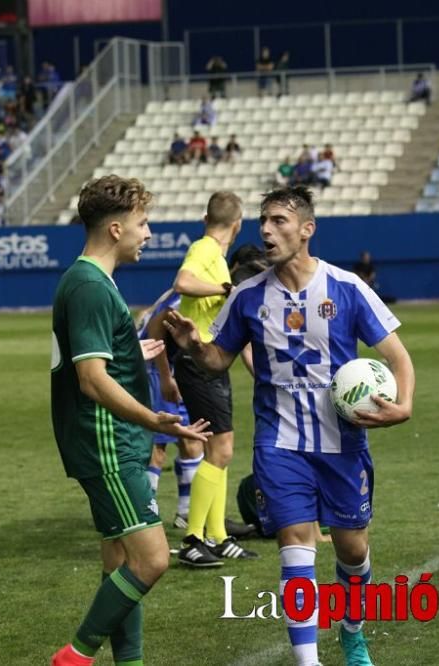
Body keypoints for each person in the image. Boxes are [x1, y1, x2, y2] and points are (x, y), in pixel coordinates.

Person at [165, 186, 415, 666]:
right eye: (263, 221)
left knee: (352, 550)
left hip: (342, 443)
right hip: (279, 443)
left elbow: (397, 356)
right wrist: (194, 345)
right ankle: (308, 661)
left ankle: (352, 630)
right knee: (295, 546)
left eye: (279, 220)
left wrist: (402, 406)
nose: (267, 230)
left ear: (307, 229)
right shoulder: (247, 296)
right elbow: (219, 359)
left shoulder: (346, 288)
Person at [48, 176, 211, 666]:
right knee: (153, 559)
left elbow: (95, 359)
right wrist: (154, 420)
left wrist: (128, 350)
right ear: (116, 229)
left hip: (108, 438)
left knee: (120, 562)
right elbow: (92, 380)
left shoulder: (92, 281)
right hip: (107, 441)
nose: (150, 232)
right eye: (143, 223)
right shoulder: (91, 287)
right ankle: (75, 656)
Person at [171, 191, 258, 567]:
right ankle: (193, 539)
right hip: (198, 363)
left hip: (211, 363)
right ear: (237, 225)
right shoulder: (205, 250)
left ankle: (218, 537)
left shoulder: (217, 259)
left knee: (219, 451)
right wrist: (224, 289)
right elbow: (183, 282)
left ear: (206, 216)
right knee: (219, 450)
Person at [135, 288, 206, 531]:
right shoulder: (189, 293)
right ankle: (144, 513)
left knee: (190, 440)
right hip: (155, 369)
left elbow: (147, 315)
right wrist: (165, 377)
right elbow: (156, 326)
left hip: (169, 369)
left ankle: (186, 513)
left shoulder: (188, 289)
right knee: (159, 443)